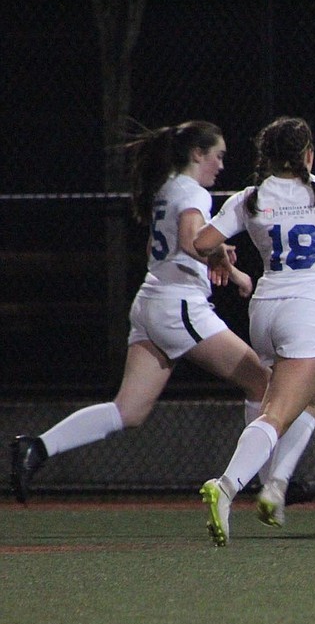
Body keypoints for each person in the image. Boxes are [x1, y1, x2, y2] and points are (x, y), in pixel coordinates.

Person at [9, 121, 274, 503]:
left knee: (128, 410)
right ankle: (269, 483)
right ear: (198, 154)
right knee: (262, 384)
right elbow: (190, 240)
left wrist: (214, 254)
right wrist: (230, 268)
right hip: (179, 306)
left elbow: (162, 241)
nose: (220, 165)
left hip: (151, 299)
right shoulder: (194, 193)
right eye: (218, 156)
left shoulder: (167, 188)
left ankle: (37, 447)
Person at [194, 116, 315, 546]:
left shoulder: (251, 198)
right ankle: (227, 485)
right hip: (310, 311)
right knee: (278, 412)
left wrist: (222, 261)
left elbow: (202, 242)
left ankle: (277, 484)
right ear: (308, 156)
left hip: (265, 311)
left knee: (314, 396)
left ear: (267, 157)